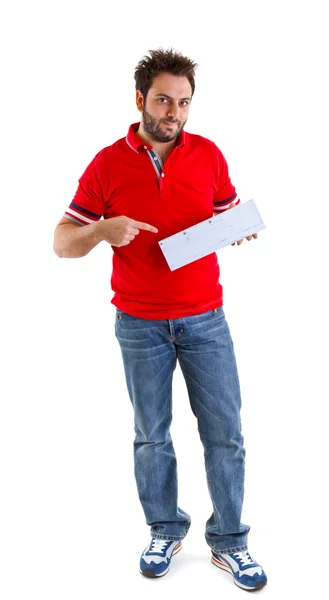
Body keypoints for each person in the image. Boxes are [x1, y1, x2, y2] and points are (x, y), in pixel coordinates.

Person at [53, 48, 267, 592]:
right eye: (164, 100)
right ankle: (164, 528)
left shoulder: (209, 155)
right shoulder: (106, 163)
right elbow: (61, 242)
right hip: (139, 324)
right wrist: (103, 230)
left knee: (226, 434)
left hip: (205, 320)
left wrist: (237, 228)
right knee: (152, 435)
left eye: (184, 102)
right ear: (141, 99)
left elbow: (226, 215)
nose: (174, 112)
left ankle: (230, 543)